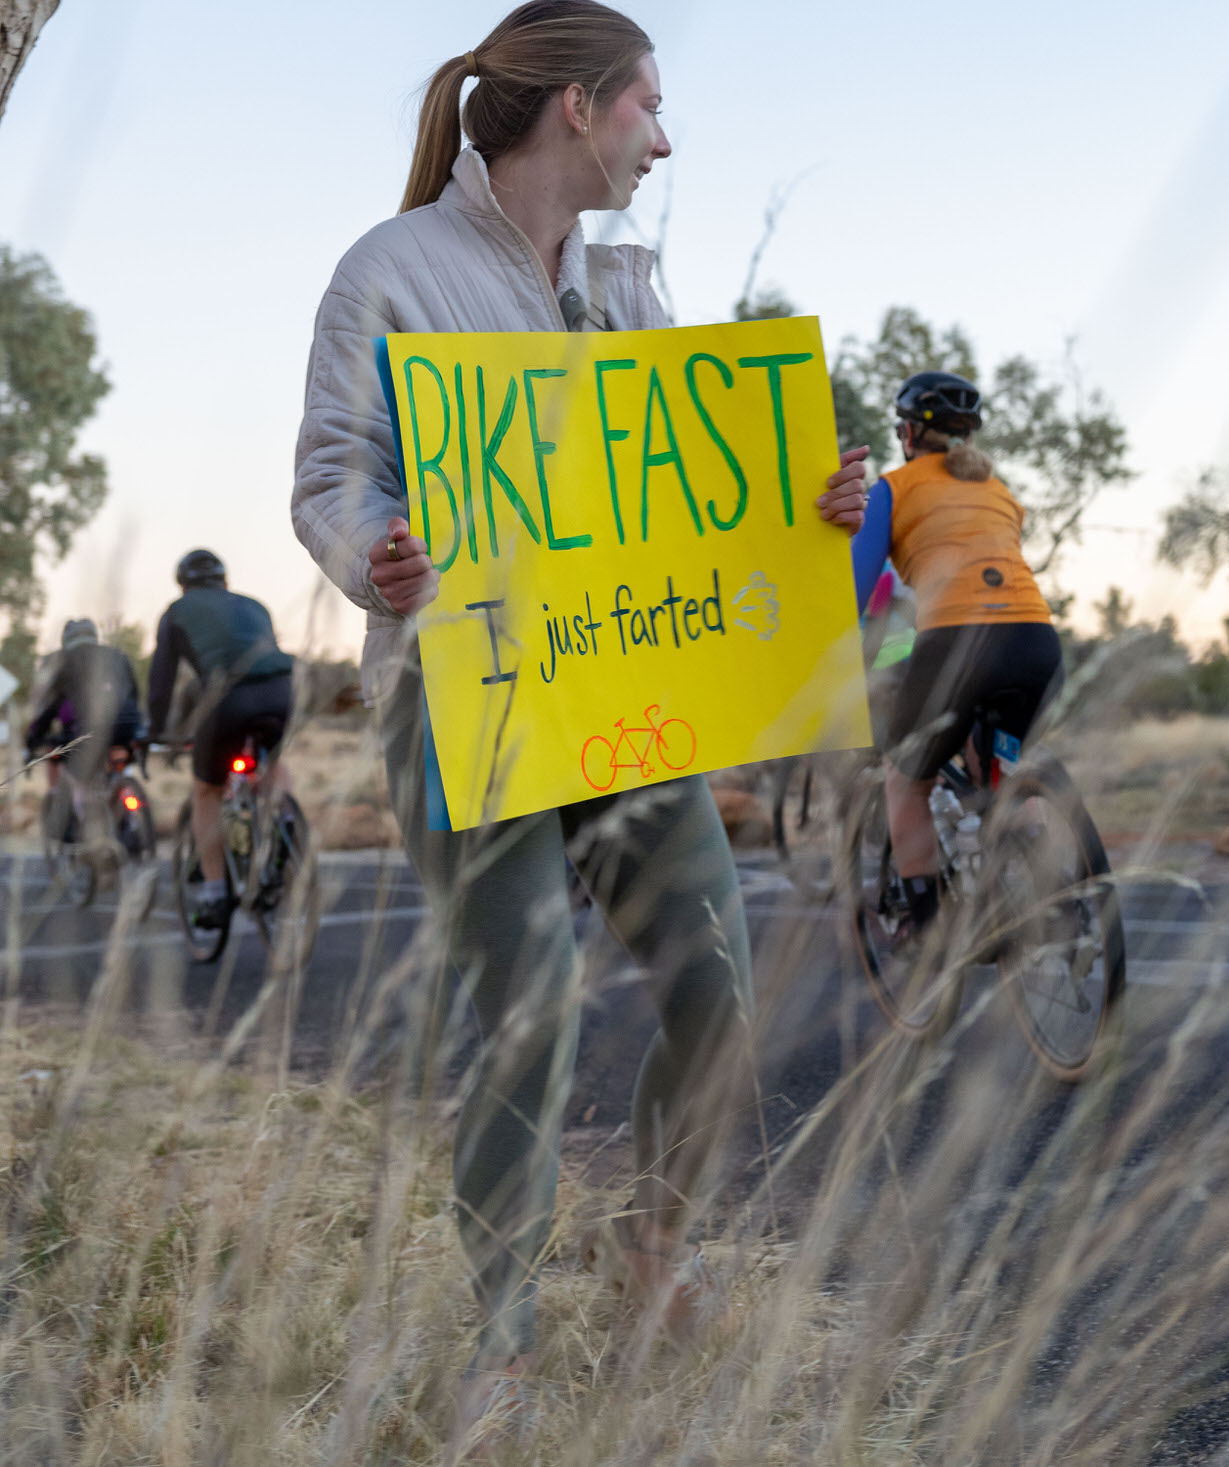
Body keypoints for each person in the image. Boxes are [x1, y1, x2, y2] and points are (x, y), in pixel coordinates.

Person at [287, 0, 869, 1418]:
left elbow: (673, 488)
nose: (664, 141)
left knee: (722, 977)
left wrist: (807, 503)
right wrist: (377, 548)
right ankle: (503, 1339)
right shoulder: (393, 270)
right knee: (530, 997)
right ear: (576, 109)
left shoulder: (626, 278)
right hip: (464, 693)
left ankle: (654, 1244)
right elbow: (330, 473)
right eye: (647, 109)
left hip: (619, 683)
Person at [847, 371, 1062, 941]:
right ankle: (1052, 891)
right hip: (1036, 642)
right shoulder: (1000, 491)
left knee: (903, 780)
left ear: (911, 433)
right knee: (1003, 771)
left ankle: (929, 932)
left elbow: (856, 588)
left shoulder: (893, 487)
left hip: (955, 644)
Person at [147, 549, 296, 928]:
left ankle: (215, 892)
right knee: (272, 758)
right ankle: (284, 816)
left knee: (207, 792)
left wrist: (156, 730)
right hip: (284, 689)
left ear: (183, 585)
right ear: (224, 580)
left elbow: (162, 682)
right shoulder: (254, 605)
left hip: (227, 697)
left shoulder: (175, 613)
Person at [24, 619, 147, 837]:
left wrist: (33, 738)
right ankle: (132, 822)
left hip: (91, 730)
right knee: (114, 771)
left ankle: (90, 835)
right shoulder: (117, 655)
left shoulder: (62, 660)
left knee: (80, 779)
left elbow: (49, 707)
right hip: (129, 727)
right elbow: (134, 694)